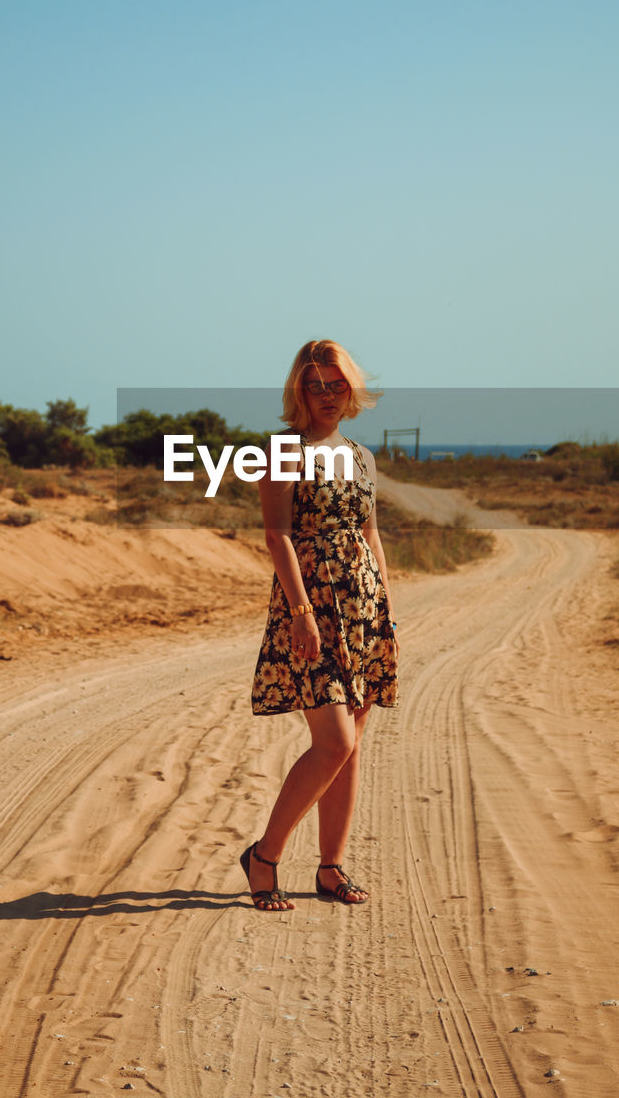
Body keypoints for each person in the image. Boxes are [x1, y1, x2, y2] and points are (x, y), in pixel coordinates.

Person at [241, 339, 399, 911]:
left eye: (337, 384)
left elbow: (370, 533)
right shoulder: (283, 450)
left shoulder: (361, 457)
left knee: (352, 745)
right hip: (309, 608)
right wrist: (303, 612)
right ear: (298, 390)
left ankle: (330, 868)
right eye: (316, 385)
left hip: (360, 610)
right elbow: (277, 534)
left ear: (351, 389)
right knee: (333, 741)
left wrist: (384, 608)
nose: (328, 395)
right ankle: (264, 857)